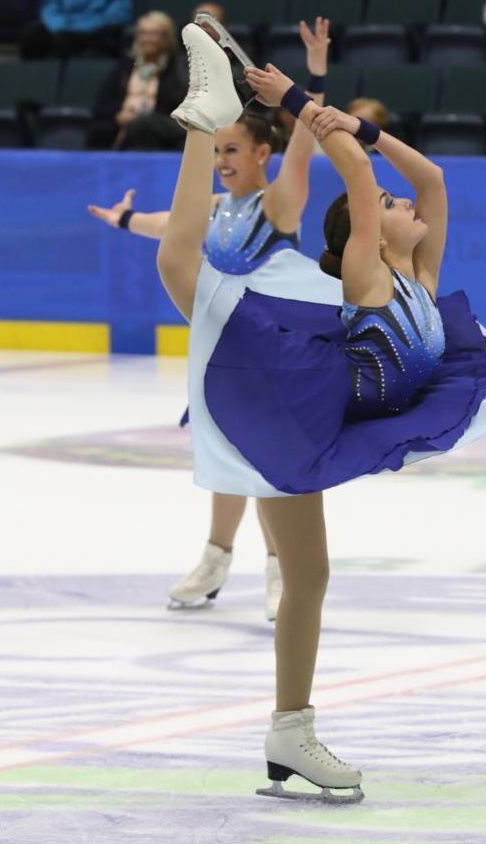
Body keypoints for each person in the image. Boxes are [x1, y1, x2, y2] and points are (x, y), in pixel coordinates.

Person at [154, 23, 486, 801]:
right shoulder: (369, 274)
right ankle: (201, 119)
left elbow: (435, 177)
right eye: (385, 204)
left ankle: (290, 732)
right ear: (365, 236)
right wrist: (299, 103)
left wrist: (363, 125)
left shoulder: (420, 273)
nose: (402, 199)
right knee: (181, 267)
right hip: (295, 390)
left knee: (307, 575)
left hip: (313, 426)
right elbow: (351, 168)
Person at [88, 17, 331, 621]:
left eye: (230, 150)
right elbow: (166, 224)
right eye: (216, 150)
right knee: (224, 449)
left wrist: (314, 79)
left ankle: (280, 569)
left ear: (261, 154)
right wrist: (124, 220)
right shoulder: (215, 208)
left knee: (269, 457)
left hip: (273, 346)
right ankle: (216, 560)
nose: (221, 161)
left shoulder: (278, 205)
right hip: (224, 350)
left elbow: (305, 142)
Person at [88, 11, 188, 151]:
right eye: (142, 33)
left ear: (166, 37)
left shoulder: (178, 65)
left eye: (153, 34)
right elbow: (104, 100)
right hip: (124, 121)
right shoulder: (126, 65)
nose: (146, 39)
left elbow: (179, 103)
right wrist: (118, 114)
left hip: (162, 121)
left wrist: (142, 114)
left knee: (143, 123)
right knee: (99, 129)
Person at [19, 0, 132, 61]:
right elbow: (50, 7)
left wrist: (78, 28)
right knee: (31, 37)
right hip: (63, 27)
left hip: (98, 30)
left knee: (64, 40)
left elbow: (119, 14)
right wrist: (59, 26)